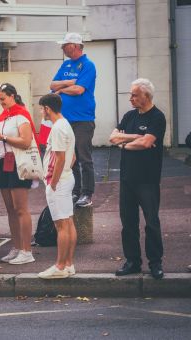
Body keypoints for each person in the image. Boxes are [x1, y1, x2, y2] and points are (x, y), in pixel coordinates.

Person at [109, 78, 166, 280]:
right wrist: (134, 138)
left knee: (151, 222)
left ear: (146, 96)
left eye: (134, 95)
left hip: (148, 180)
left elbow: (147, 142)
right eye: (131, 94)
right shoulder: (129, 115)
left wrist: (126, 141)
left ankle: (155, 263)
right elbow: (113, 137)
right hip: (127, 179)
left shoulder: (157, 118)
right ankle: (132, 261)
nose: (131, 98)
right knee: (128, 223)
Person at [0, 83, 37, 265]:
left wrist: (3, 138)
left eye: (3, 99)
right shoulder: (3, 117)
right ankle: (17, 247)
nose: (0, 102)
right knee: (10, 209)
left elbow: (26, 141)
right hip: (3, 161)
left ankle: (26, 250)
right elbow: (1, 144)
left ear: (12, 96)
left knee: (20, 208)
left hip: (17, 161)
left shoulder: (21, 115)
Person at [50, 32, 96, 208]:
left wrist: (61, 89)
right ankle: (76, 191)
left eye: (65, 45)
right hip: (66, 119)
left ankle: (87, 193)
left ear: (75, 46)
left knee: (84, 157)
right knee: (71, 157)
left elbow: (79, 90)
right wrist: (69, 82)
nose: (62, 48)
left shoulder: (88, 65)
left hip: (83, 119)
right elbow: (52, 85)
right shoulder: (66, 64)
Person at [37, 93, 77, 279]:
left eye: (41, 108)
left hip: (58, 181)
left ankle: (60, 266)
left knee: (61, 225)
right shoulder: (65, 124)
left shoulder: (58, 128)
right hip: (66, 178)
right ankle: (68, 264)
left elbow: (60, 158)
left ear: (47, 108)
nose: (41, 112)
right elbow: (72, 157)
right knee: (68, 222)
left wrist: (53, 182)